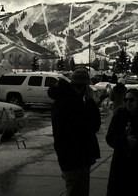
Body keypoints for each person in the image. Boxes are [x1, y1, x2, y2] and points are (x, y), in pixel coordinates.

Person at [47, 68, 101, 196]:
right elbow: (93, 125)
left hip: (70, 157)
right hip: (76, 157)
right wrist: (90, 102)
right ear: (83, 86)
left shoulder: (64, 99)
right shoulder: (72, 103)